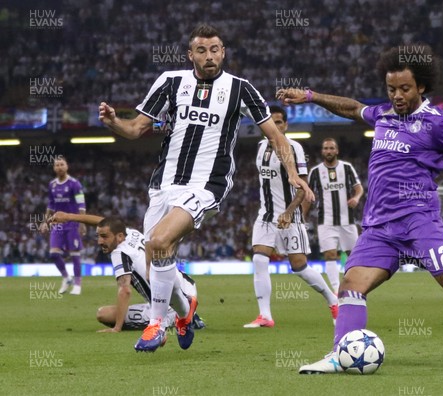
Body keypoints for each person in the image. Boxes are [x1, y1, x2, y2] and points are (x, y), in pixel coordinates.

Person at [277, 44, 443, 373]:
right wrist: (310, 95)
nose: (397, 95)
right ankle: (342, 354)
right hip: (379, 227)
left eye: (404, 88)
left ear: (421, 86)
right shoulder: (382, 115)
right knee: (350, 286)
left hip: (419, 221)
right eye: (391, 88)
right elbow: (353, 108)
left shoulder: (439, 125)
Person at [98, 24, 313, 352]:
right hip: (163, 185)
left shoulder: (241, 89)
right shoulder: (171, 82)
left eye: (215, 50)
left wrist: (294, 173)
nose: (209, 56)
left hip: (206, 185)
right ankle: (184, 313)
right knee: (157, 256)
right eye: (202, 50)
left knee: (159, 240)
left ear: (223, 52)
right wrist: (114, 122)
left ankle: (157, 325)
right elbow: (136, 128)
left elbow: (275, 136)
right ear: (190, 54)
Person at [245, 105, 338, 329]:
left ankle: (333, 300)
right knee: (259, 258)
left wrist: (289, 212)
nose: (275, 126)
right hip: (266, 216)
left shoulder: (294, 148)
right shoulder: (260, 147)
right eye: (271, 122)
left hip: (290, 217)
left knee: (300, 267)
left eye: (279, 122)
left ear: (285, 125)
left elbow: (302, 185)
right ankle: (265, 315)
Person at [50, 211, 204, 333]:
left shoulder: (119, 253)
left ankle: (180, 319)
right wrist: (69, 217)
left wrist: (116, 328)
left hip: (169, 308)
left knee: (103, 314)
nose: (99, 242)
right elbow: (105, 223)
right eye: (99, 236)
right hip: (189, 288)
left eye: (104, 237)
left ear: (118, 237)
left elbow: (125, 291)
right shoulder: (130, 233)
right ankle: (191, 313)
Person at [303, 138, 363, 294]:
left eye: (331, 148)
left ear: (337, 151)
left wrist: (356, 198)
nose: (328, 151)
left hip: (347, 220)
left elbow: (359, 188)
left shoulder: (347, 168)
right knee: (330, 254)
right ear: (322, 151)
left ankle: (351, 285)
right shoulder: (315, 172)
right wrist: (303, 216)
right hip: (326, 221)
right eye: (325, 148)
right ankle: (337, 290)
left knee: (353, 255)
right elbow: (308, 196)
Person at [39, 156, 86, 295]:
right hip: (57, 224)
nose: (59, 167)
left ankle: (78, 284)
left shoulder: (74, 184)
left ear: (67, 166)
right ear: (54, 168)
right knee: (53, 253)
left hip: (72, 223)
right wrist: (45, 222)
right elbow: (50, 205)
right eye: (57, 165)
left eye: (62, 164)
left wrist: (82, 222)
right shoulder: (52, 185)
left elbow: (81, 204)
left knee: (74, 254)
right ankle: (67, 278)